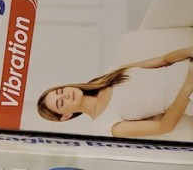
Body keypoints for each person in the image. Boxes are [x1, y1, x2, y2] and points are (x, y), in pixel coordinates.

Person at [37, 45, 193, 138]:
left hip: (187, 64)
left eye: (61, 90)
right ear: (65, 116)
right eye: (61, 102)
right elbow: (163, 127)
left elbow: (163, 60)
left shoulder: (110, 74)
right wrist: (187, 86)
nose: (66, 94)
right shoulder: (104, 125)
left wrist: (188, 51)